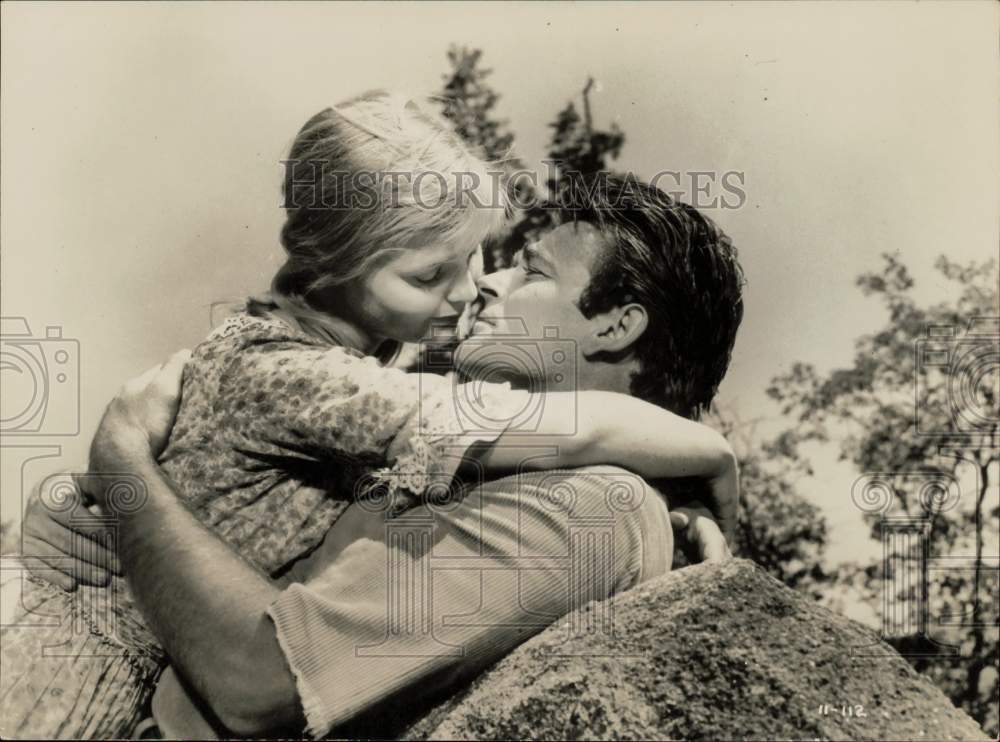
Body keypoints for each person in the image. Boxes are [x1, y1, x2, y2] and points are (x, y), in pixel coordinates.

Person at [0, 93, 740, 739]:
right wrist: (73, 513)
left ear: (616, 326)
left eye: (532, 270)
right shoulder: (458, 451)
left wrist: (124, 457)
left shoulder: (591, 511)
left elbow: (258, 680)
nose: (484, 286)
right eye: (438, 270)